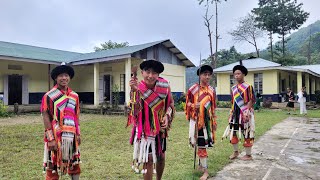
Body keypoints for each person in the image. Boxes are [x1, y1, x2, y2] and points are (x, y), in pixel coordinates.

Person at [127, 59, 175, 180]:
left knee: (161, 157)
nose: (150, 76)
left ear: (158, 74)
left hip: (160, 129)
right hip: (145, 130)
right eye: (147, 72)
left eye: (154, 73)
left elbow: (171, 105)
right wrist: (134, 91)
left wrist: (167, 116)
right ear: (142, 73)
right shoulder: (137, 87)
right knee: (148, 160)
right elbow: (134, 111)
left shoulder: (165, 86)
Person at [41, 63, 81, 180]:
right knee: (52, 166)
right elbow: (46, 116)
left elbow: (76, 116)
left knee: (74, 164)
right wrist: (51, 138)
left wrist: (78, 133)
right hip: (55, 135)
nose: (64, 78)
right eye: (61, 76)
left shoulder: (74, 96)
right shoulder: (49, 96)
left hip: (71, 135)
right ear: (55, 78)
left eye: (66, 75)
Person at [185, 65, 217, 180]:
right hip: (197, 120)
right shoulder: (193, 89)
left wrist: (214, 121)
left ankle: (206, 171)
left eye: (209, 74)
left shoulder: (212, 90)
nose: (207, 77)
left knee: (203, 144)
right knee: (200, 144)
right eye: (205, 74)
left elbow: (213, 107)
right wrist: (194, 105)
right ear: (199, 75)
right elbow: (187, 104)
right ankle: (201, 166)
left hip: (207, 122)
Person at [222, 63, 255, 161]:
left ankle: (248, 155)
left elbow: (251, 100)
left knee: (247, 132)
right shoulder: (233, 88)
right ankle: (235, 151)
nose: (237, 76)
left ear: (244, 74)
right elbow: (233, 101)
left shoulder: (248, 87)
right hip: (235, 113)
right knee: (233, 131)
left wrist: (247, 112)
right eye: (235, 74)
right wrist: (231, 111)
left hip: (244, 113)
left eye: (239, 74)